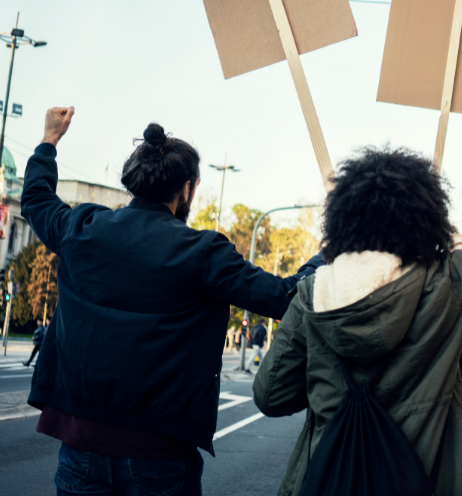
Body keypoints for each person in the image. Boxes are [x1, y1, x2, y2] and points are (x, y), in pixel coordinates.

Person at [253, 85, 462, 496]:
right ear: (426, 219)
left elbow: (270, 396)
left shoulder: (313, 295)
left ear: (343, 221)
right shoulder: (448, 282)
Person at [21, 108, 325, 495]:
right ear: (187, 189)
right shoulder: (203, 253)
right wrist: (330, 252)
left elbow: (35, 199)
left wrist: (49, 140)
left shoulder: (81, 228)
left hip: (80, 446)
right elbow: (285, 297)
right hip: (160, 456)